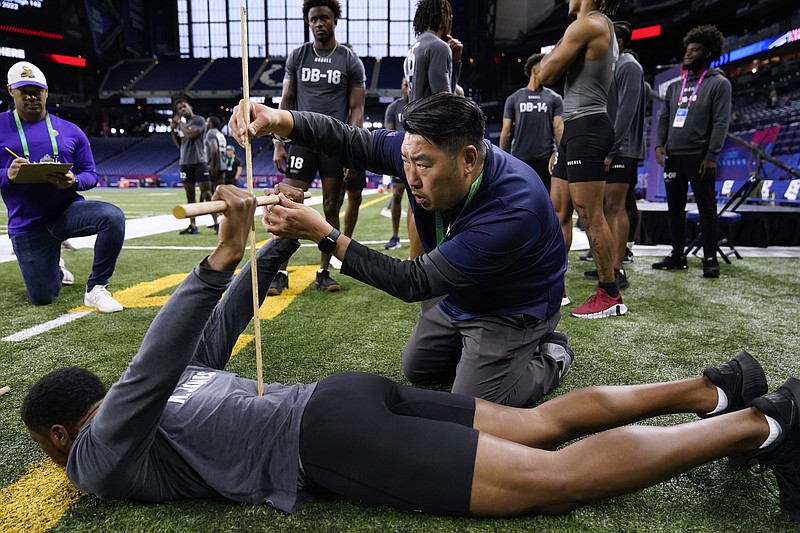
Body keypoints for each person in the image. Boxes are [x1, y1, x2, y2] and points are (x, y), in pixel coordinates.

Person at [21, 187, 800, 520]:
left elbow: (163, 360)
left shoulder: (91, 457)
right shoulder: (158, 394)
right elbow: (185, 352)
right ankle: (714, 386)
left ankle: (762, 423)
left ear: (59, 436)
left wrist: (233, 256)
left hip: (328, 437)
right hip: (345, 396)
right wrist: (263, 257)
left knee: (555, 481)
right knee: (542, 425)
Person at [231, 92, 569, 407]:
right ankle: (481, 353)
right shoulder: (423, 151)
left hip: (510, 306)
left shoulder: (513, 208)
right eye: (405, 161)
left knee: (469, 407)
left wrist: (322, 234)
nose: (411, 178)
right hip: (459, 290)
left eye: (422, 165)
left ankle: (552, 354)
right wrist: (278, 119)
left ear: (468, 159)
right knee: (418, 369)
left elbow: (414, 282)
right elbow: (350, 140)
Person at [0, 61, 124, 313]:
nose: (32, 96)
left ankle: (96, 288)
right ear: (11, 90)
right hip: (27, 223)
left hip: (66, 213)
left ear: (46, 92)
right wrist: (7, 174)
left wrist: (74, 181)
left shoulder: (70, 130)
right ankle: (54, 265)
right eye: (24, 91)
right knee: (43, 297)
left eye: (37, 90)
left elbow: (91, 174)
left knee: (112, 217)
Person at [270, 0, 366, 294]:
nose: (318, 24)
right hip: (300, 140)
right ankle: (280, 271)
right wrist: (278, 142)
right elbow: (286, 101)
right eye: (313, 19)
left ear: (335, 19)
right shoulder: (298, 56)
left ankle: (323, 271)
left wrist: (352, 150)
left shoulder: (350, 60)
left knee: (331, 207)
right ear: (308, 22)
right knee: (288, 202)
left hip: (334, 144)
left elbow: (357, 110)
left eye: (324, 18)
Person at [539, 0, 623, 319]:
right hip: (577, 127)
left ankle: (610, 294)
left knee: (589, 214)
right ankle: (555, 288)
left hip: (588, 125)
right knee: (558, 209)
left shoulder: (589, 24)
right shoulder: (589, 24)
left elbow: (545, 74)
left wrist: (561, 42)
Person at [652, 25, 732, 279]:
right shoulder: (675, 86)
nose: (688, 54)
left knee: (706, 208)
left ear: (708, 53)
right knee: (674, 208)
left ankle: (710, 258)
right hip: (673, 155)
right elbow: (664, 117)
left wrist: (712, 156)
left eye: (695, 50)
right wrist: (658, 144)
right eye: (687, 49)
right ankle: (678, 255)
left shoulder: (720, 83)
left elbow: (721, 122)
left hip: (700, 157)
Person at [582, 22, 647, 290]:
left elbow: (626, 113)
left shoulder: (629, 65)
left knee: (614, 205)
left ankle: (618, 268)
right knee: (603, 207)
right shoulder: (610, 67)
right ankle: (607, 264)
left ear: (618, 39)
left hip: (622, 148)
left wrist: (611, 149)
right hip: (608, 147)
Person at [499, 53, 564, 192]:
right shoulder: (514, 98)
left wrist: (560, 152)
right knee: (520, 199)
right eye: (545, 66)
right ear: (534, 70)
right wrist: (503, 159)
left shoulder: (555, 98)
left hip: (546, 159)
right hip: (520, 159)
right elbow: (506, 131)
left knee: (546, 200)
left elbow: (559, 127)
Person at [403, 0, 463, 103]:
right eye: (450, 17)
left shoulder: (415, 47)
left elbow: (446, 92)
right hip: (429, 118)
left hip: (414, 116)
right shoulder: (438, 46)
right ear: (444, 17)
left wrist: (455, 62)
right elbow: (443, 100)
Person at [170, 98, 210, 235]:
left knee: (206, 192)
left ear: (190, 107)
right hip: (185, 163)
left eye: (184, 107)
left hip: (199, 161)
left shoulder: (199, 120)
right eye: (179, 109)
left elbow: (191, 135)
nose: (182, 110)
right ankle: (193, 225)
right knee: (190, 195)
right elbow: (181, 144)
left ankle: (217, 222)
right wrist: (172, 131)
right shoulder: (183, 125)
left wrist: (180, 123)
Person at [382, 78, 410, 250]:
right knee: (397, 195)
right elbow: (389, 134)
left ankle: (419, 237)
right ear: (401, 87)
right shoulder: (394, 107)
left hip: (420, 158)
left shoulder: (420, 104)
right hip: (400, 158)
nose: (407, 88)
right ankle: (395, 236)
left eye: (409, 85)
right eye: (405, 85)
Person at [205, 116, 228, 233]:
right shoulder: (221, 134)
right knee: (221, 195)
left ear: (211, 123)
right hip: (223, 165)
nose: (206, 123)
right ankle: (225, 221)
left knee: (211, 194)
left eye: (207, 121)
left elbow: (213, 149)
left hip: (214, 166)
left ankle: (217, 222)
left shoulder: (210, 133)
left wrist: (213, 165)